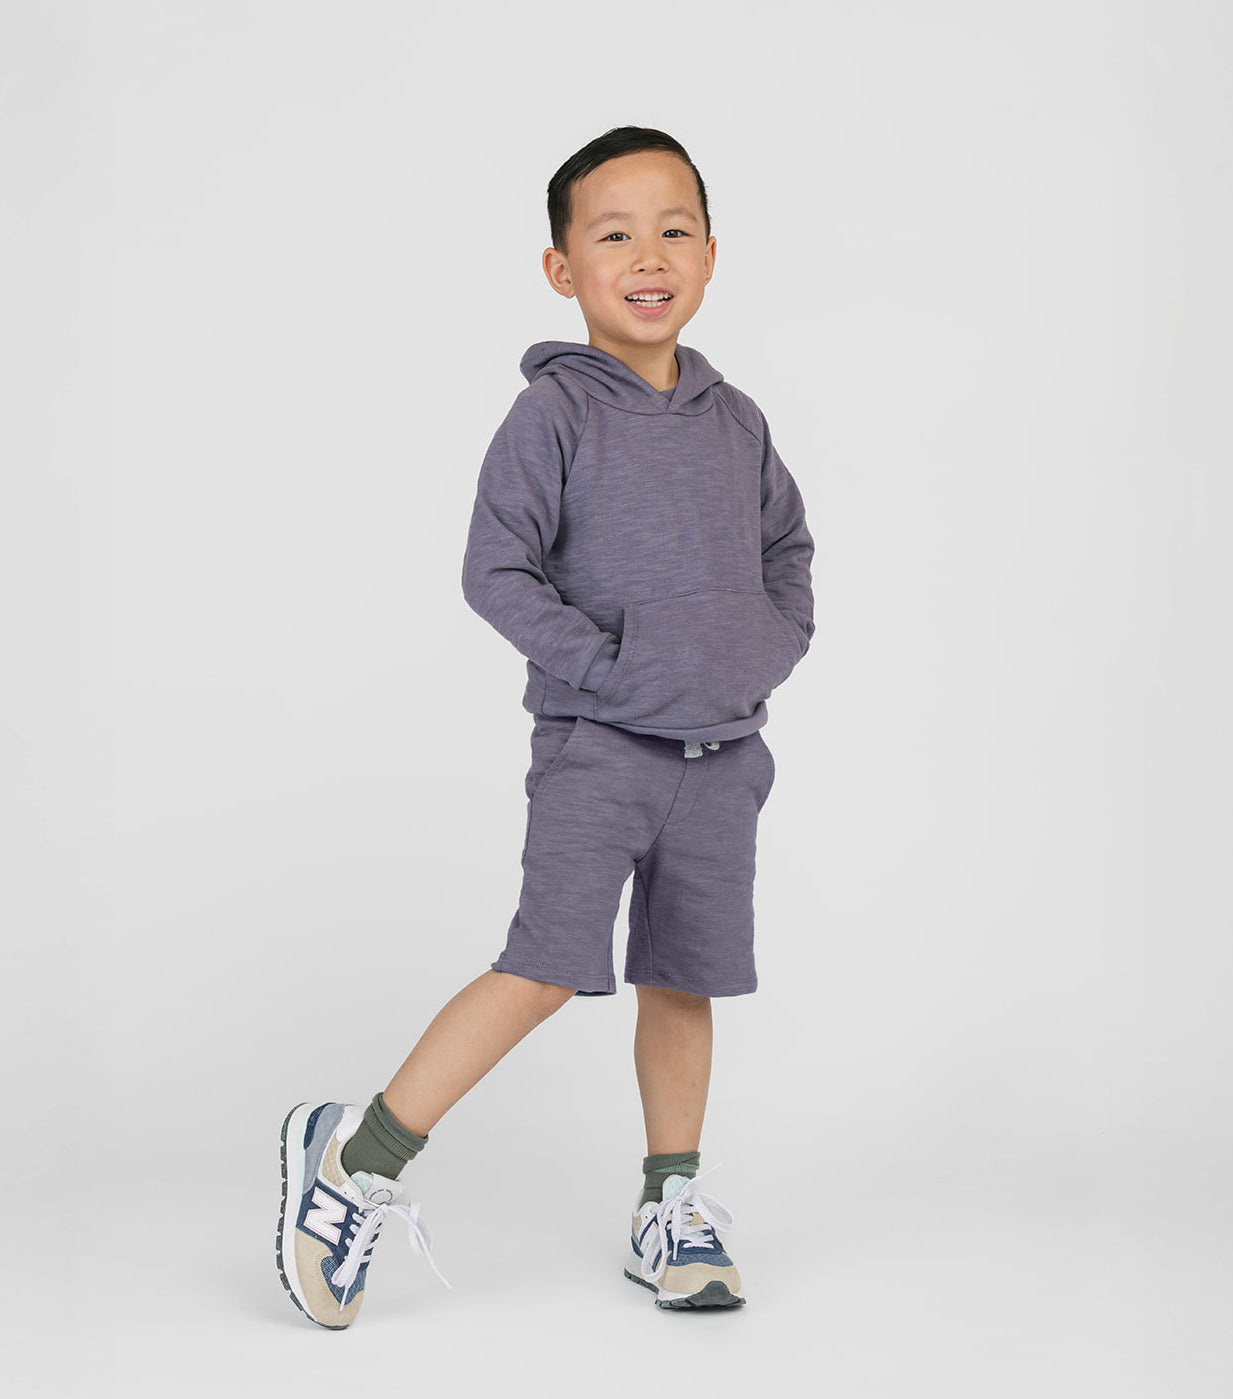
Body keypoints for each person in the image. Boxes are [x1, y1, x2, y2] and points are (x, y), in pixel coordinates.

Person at [275, 126, 815, 1328]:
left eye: (673, 229)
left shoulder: (737, 421)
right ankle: (356, 1156)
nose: (648, 255)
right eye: (613, 234)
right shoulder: (553, 416)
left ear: (711, 254)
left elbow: (787, 550)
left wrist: (761, 650)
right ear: (561, 269)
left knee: (684, 976)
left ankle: (668, 1205)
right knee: (546, 964)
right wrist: (612, 671)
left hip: (723, 756)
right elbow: (496, 571)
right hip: (598, 750)